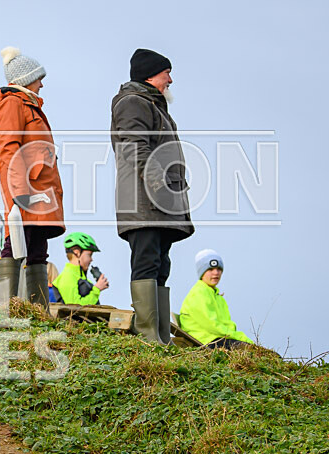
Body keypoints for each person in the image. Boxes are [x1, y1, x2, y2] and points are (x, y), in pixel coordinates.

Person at [110, 48, 194, 344]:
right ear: (150, 75)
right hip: (145, 202)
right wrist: (159, 184)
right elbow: (133, 146)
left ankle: (160, 335)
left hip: (158, 203)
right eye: (165, 72)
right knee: (146, 261)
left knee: (161, 263)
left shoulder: (152, 105)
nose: (170, 79)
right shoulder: (133, 103)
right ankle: (148, 335)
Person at [0, 47, 64, 309]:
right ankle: (4, 310)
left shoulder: (28, 103)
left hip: (39, 192)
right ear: (25, 79)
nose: (42, 83)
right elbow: (8, 149)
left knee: (37, 248)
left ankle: (38, 314)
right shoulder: (13, 103)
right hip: (27, 191)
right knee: (17, 243)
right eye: (38, 77)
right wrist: (18, 191)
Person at [179, 249, 254, 349]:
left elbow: (228, 325)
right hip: (206, 341)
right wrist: (241, 338)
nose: (216, 273)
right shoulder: (198, 293)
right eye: (210, 269)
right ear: (202, 272)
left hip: (219, 338)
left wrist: (241, 338)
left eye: (219, 269)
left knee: (271, 355)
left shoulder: (218, 297)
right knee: (253, 351)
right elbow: (212, 326)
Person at [52, 232, 109, 305]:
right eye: (89, 255)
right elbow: (75, 307)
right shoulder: (67, 276)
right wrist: (97, 289)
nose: (91, 259)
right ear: (77, 253)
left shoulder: (80, 277)